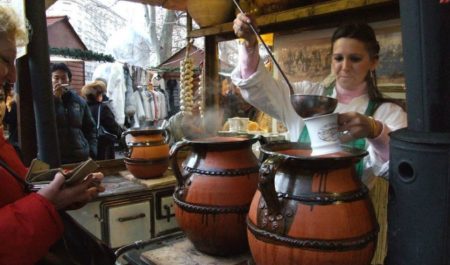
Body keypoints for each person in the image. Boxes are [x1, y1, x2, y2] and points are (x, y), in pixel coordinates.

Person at [231, 13, 407, 187]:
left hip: (346, 209)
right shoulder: (307, 94)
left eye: (355, 59)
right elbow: (259, 89)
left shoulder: (388, 112)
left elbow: (404, 170)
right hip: (292, 203)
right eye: (338, 58)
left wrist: (375, 131)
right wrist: (249, 43)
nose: (345, 67)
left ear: (373, 62)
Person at [0, 6, 105, 264]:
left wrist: (61, 193)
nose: (12, 76)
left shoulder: (78, 101)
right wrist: (46, 203)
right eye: (5, 60)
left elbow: (16, 189)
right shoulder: (38, 101)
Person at [52, 62, 98, 164]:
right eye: (56, 78)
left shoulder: (79, 101)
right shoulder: (44, 102)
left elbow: (90, 128)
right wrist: (56, 99)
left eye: (64, 78)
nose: (60, 82)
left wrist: (91, 152)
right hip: (55, 158)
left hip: (80, 156)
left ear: (69, 80)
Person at [81, 80, 123, 160]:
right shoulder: (103, 108)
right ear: (98, 95)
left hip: (86, 145)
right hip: (102, 145)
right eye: (101, 93)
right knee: (104, 168)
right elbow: (112, 126)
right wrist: (121, 134)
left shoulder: (82, 107)